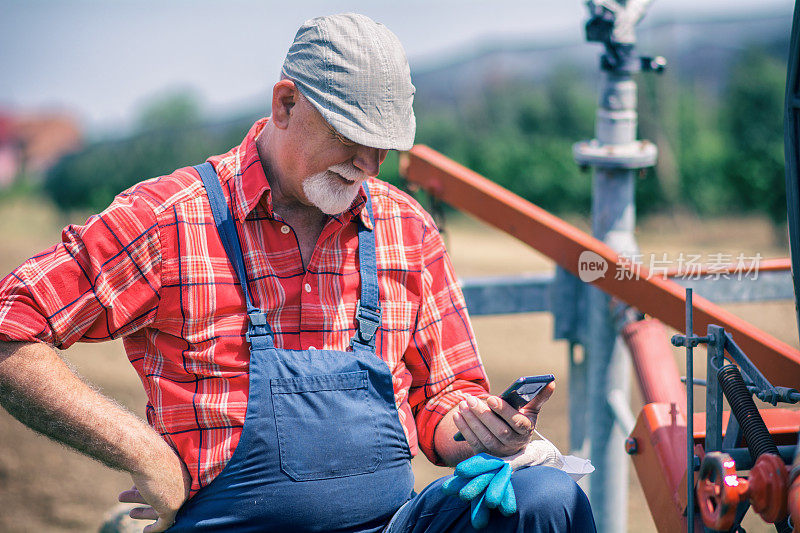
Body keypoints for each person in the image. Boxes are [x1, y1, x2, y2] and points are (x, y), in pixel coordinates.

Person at [0, 13, 594, 533]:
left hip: (389, 526)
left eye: (382, 147)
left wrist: (483, 431)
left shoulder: (405, 229)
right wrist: (142, 450)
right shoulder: (172, 219)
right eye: (350, 137)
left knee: (547, 500)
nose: (368, 164)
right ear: (286, 103)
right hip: (225, 524)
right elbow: (12, 328)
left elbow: (442, 400)